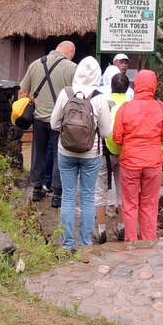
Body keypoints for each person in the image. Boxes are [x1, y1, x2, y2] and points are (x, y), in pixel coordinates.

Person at [50, 56, 112, 250]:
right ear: (97, 75)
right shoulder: (99, 98)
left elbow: (53, 124)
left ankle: (67, 244)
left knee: (68, 196)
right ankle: (85, 244)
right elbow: (107, 132)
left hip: (65, 151)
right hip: (91, 154)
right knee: (87, 196)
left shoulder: (65, 93)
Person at [112, 69, 163, 241]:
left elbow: (117, 138)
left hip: (130, 161)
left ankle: (131, 242)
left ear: (136, 85)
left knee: (130, 204)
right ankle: (148, 242)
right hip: (153, 163)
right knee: (150, 204)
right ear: (154, 86)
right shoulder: (161, 107)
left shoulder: (125, 108)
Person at [19, 41, 77, 207]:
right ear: (70, 51)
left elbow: (23, 92)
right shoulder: (72, 68)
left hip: (39, 118)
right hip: (60, 121)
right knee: (61, 156)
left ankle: (37, 189)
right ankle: (58, 195)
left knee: (38, 154)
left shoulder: (35, 65)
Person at [93, 72, 130, 243]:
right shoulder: (130, 105)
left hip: (104, 152)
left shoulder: (104, 103)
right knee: (123, 192)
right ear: (127, 88)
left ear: (111, 86)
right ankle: (121, 227)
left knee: (100, 191)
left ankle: (101, 231)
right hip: (125, 154)